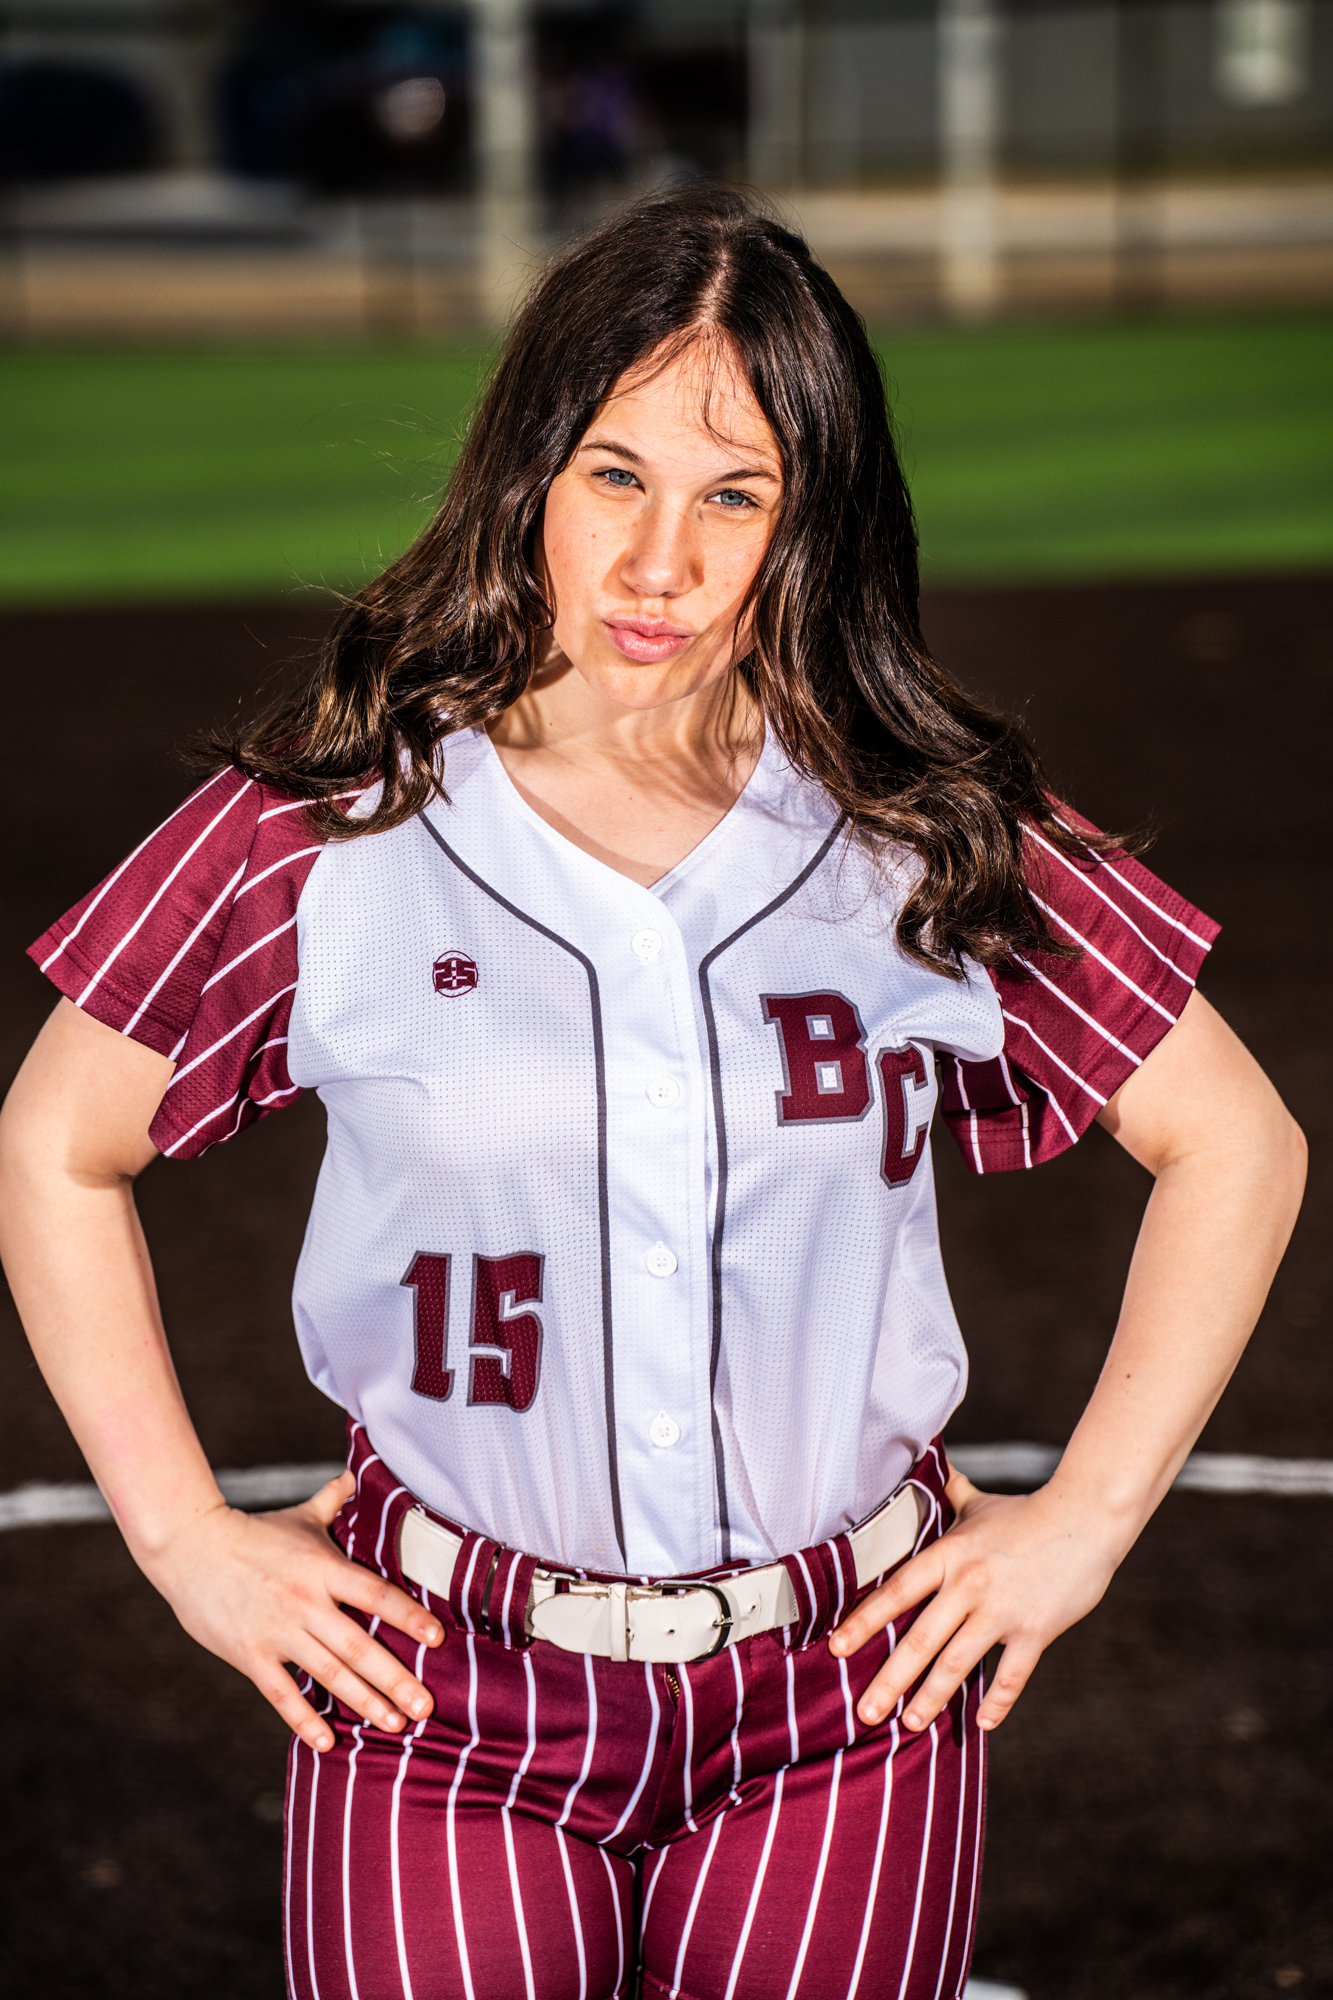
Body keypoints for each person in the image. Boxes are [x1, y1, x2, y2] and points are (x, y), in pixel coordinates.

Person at [0, 185, 1304, 2000]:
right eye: (613, 474)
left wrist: (1082, 1523)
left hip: (846, 1687)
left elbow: (1234, 1141)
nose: (658, 563)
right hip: (439, 1680)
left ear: (809, 518)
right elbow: (55, 1142)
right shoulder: (327, 824)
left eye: (734, 496)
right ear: (526, 465)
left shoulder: (918, 822)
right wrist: (180, 1539)